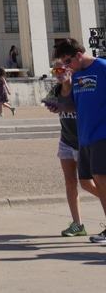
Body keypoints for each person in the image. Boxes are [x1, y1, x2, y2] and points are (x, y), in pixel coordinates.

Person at [46, 37, 106, 244]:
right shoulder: (79, 75)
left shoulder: (102, 68)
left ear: (79, 55)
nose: (66, 67)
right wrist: (61, 106)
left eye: (68, 62)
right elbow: (76, 105)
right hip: (85, 136)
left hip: (102, 133)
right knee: (89, 180)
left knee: (101, 178)